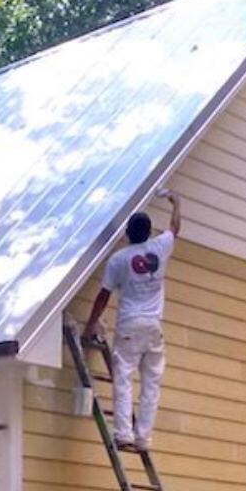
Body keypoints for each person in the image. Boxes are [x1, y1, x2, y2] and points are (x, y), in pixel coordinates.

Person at [81, 190, 182, 452]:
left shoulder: (119, 259)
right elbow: (175, 227)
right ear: (149, 233)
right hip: (153, 328)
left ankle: (124, 433)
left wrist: (91, 323)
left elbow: (104, 296)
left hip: (129, 325)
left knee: (123, 377)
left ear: (128, 233)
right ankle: (143, 438)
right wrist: (176, 201)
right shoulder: (159, 249)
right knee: (151, 383)